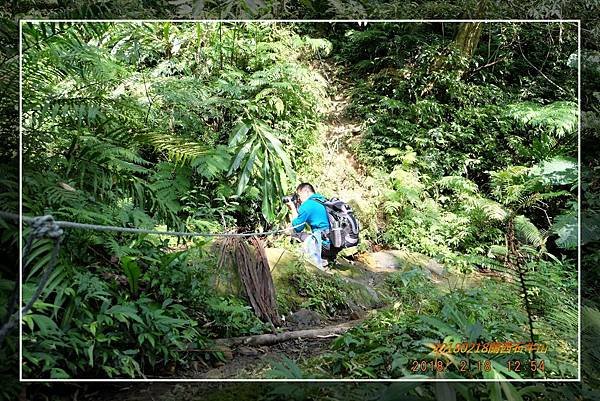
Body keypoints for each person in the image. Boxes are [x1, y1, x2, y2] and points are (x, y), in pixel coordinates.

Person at [285, 183, 339, 267]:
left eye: (299, 196)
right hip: (336, 244)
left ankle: (320, 257)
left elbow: (297, 228)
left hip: (325, 245)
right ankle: (328, 257)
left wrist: (292, 208)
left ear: (306, 192)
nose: (299, 199)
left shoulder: (307, 205)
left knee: (296, 235)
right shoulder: (323, 200)